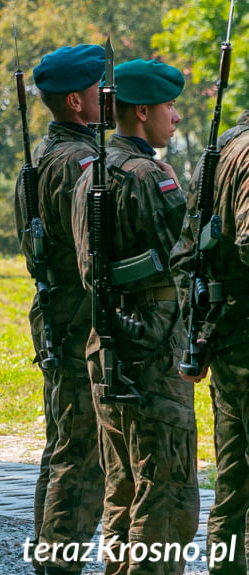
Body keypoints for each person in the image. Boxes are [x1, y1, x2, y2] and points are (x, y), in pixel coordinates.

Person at [72, 59, 198, 575]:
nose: (175, 116)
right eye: (169, 106)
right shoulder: (151, 178)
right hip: (153, 345)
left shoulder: (90, 173)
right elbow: (189, 253)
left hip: (106, 343)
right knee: (165, 492)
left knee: (122, 485)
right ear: (142, 111)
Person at [14, 44, 105, 575]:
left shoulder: (48, 156)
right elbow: (95, 250)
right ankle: (59, 563)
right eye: (99, 89)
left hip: (58, 313)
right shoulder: (78, 163)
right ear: (76, 101)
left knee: (64, 444)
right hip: (79, 317)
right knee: (82, 452)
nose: (108, 96)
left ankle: (51, 554)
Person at [170, 109, 249, 575]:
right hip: (243, 331)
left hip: (226, 331)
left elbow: (187, 251)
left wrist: (198, 327)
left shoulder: (217, 153)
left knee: (233, 476)